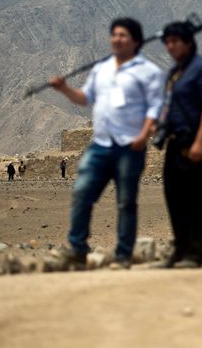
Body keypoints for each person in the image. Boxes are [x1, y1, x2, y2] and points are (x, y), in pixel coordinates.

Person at [49, 17, 163, 270]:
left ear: (135, 40)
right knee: (82, 192)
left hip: (129, 146)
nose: (116, 39)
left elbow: (155, 107)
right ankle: (77, 249)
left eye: (122, 35)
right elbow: (84, 98)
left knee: (126, 202)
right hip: (100, 144)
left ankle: (123, 255)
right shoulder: (101, 69)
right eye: (114, 35)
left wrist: (143, 135)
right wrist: (64, 88)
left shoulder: (148, 72)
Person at [156, 21, 202, 269]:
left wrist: (201, 141)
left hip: (194, 140)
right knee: (173, 196)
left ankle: (195, 253)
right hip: (174, 141)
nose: (170, 46)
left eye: (175, 41)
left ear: (188, 42)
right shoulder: (174, 72)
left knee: (193, 197)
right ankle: (179, 249)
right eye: (167, 42)